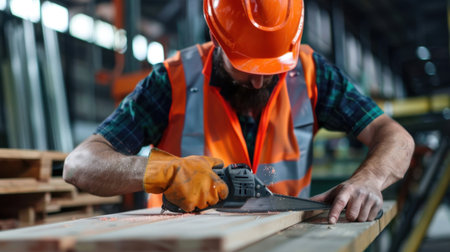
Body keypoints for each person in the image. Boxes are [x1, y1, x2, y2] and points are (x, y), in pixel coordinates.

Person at [63, 0, 414, 224]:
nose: (260, 83)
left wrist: (369, 179)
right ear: (218, 38)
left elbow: (396, 138)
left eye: (272, 68)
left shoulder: (311, 74)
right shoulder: (172, 81)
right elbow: (79, 165)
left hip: (288, 241)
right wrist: (160, 171)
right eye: (248, 67)